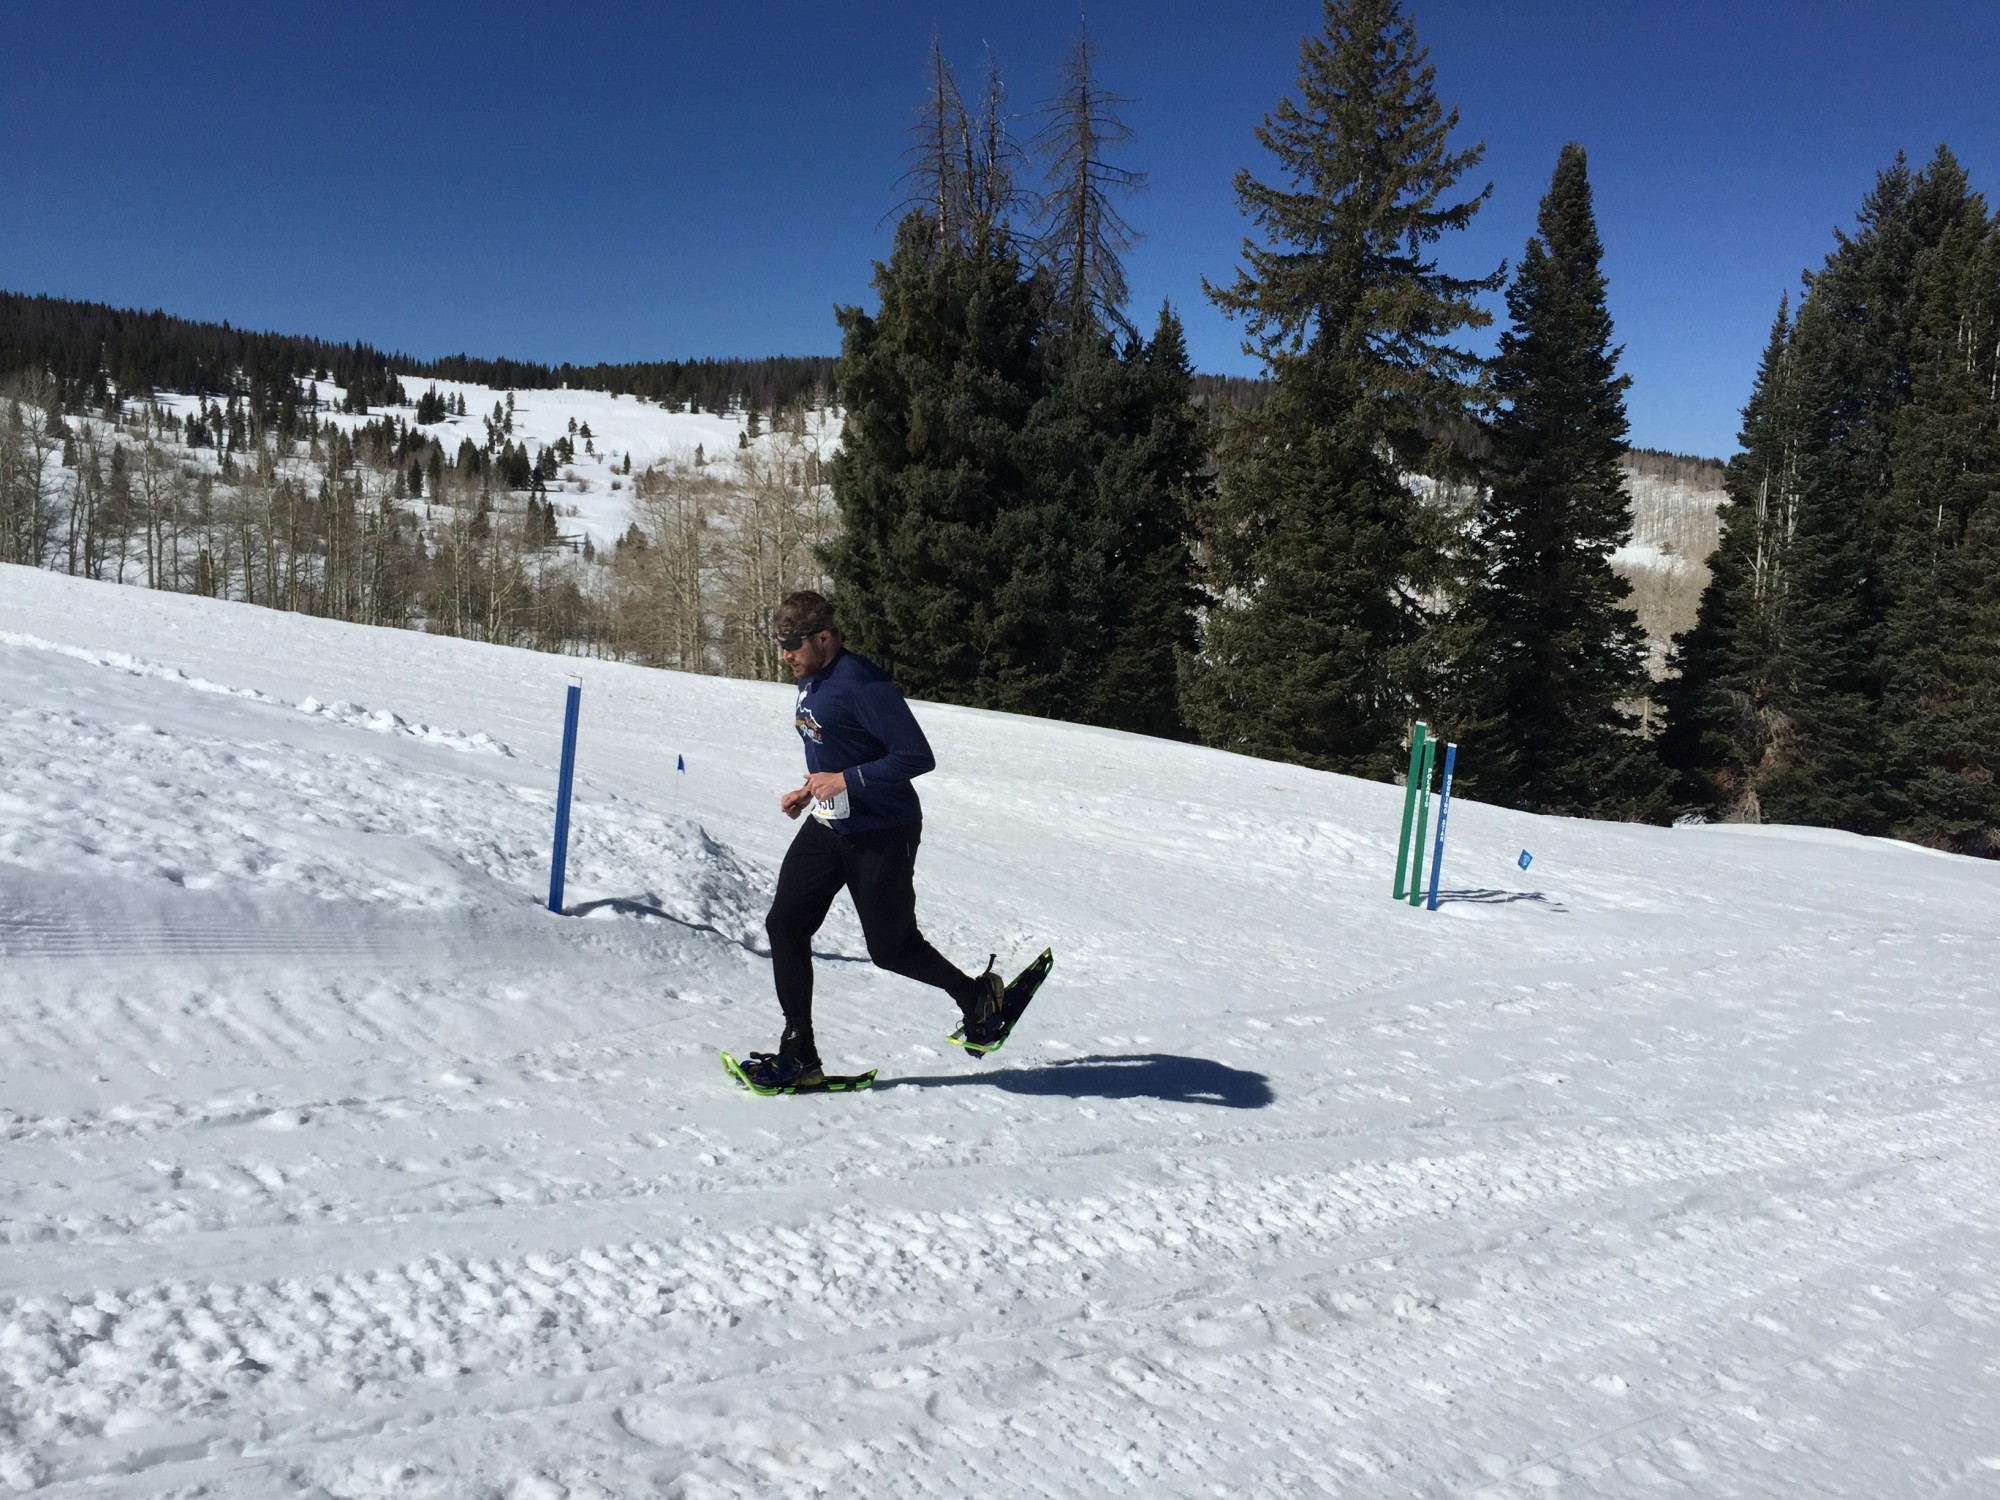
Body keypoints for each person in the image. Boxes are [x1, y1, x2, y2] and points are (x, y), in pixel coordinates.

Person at [741, 591, 1004, 1089]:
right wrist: (808, 790)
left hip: (883, 830)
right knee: (785, 925)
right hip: (828, 824)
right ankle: (800, 1054)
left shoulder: (863, 683)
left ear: (824, 637)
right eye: (780, 645)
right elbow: (835, 746)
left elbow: (916, 757)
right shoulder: (811, 679)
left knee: (891, 948)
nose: (786, 656)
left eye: (793, 644)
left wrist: (845, 780)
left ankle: (974, 997)